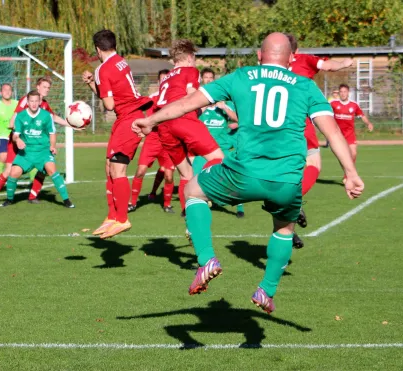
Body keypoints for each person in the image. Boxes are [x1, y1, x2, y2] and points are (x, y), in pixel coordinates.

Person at [133, 32, 364, 314]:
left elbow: (186, 104)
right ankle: (266, 290)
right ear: (292, 58)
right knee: (284, 228)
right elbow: (333, 132)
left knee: (193, 189)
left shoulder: (241, 76)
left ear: (259, 56)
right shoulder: (305, 86)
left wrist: (151, 119)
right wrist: (350, 172)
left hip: (242, 174)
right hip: (287, 180)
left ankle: (207, 259)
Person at [82, 29, 152, 239]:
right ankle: (112, 216)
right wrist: (92, 84)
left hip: (128, 118)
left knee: (118, 170)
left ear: (97, 49)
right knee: (109, 167)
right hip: (128, 116)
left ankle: (122, 219)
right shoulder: (121, 61)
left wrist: (95, 82)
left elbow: (109, 104)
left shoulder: (103, 69)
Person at [287, 34, 354, 248]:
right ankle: (293, 206)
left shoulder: (265, 67)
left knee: (284, 178)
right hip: (298, 123)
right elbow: (327, 65)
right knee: (312, 164)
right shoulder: (303, 59)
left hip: (268, 129)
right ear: (295, 51)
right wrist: (345, 62)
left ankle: (288, 230)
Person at [150, 39, 224, 216]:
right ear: (190, 57)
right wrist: (207, 103)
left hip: (164, 127)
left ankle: (188, 218)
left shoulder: (166, 77)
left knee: (185, 174)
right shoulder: (191, 70)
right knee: (219, 159)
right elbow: (192, 96)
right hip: (183, 120)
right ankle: (207, 192)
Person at [0, 77, 70, 204]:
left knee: (43, 169)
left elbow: (52, 117)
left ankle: (32, 197)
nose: (47, 90)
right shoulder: (26, 101)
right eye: (44, 87)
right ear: (37, 87)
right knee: (9, 170)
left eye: (48, 88)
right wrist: (18, 135)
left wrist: (70, 123)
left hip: (32, 145)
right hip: (17, 141)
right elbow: (14, 120)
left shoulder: (44, 104)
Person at [193, 68, 245, 218]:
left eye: (211, 78)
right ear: (202, 80)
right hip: (203, 149)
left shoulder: (224, 103)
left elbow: (238, 119)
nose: (208, 80)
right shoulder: (198, 104)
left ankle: (239, 207)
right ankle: (192, 207)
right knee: (195, 177)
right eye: (206, 78)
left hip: (222, 149)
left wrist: (224, 108)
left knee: (231, 178)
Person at [128, 69, 176, 213]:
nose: (163, 82)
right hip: (153, 139)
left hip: (168, 141)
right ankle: (133, 202)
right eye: (161, 79)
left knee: (168, 175)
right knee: (140, 171)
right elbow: (145, 116)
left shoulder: (176, 99)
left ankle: (167, 204)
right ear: (158, 82)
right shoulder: (152, 98)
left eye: (166, 79)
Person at [331, 83, 374, 182]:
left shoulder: (354, 105)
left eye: (345, 92)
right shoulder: (333, 104)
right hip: (338, 135)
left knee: (353, 154)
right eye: (341, 92)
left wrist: (368, 123)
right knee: (342, 156)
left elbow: (362, 115)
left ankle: (348, 174)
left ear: (348, 93)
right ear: (339, 93)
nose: (343, 94)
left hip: (350, 134)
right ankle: (347, 174)